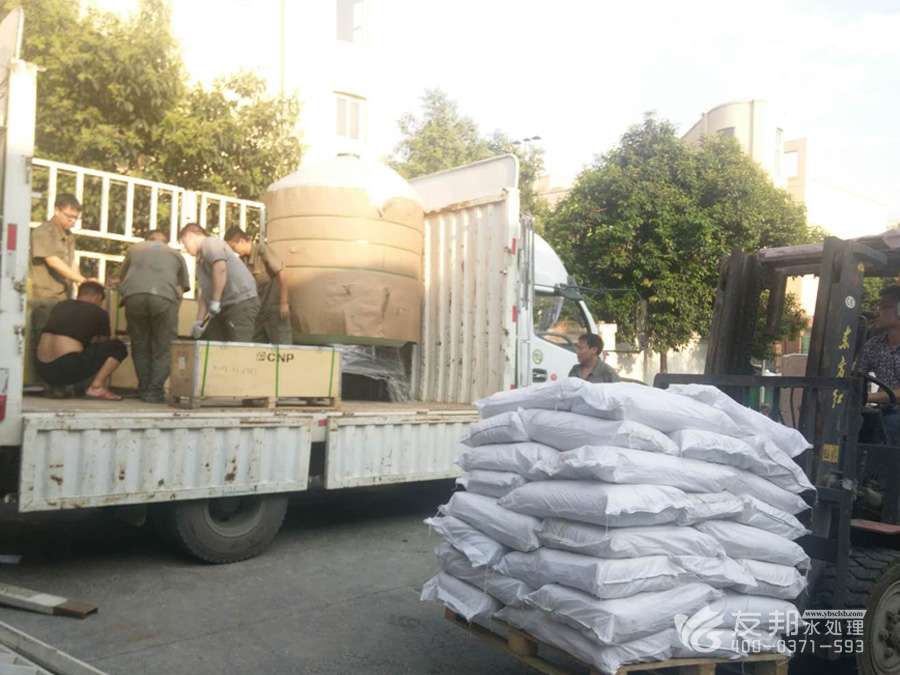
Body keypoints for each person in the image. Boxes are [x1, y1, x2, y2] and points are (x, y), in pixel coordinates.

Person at [118, 230, 191, 403]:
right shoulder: (176, 254)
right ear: (166, 242)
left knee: (140, 345)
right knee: (164, 347)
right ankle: (154, 391)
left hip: (133, 297)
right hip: (163, 298)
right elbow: (180, 289)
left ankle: (143, 388)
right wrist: (172, 313)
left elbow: (122, 278)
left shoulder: (134, 249)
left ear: (146, 240)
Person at [29, 193, 88, 384]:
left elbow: (71, 264)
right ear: (56, 210)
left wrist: (82, 285)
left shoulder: (69, 236)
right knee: (41, 340)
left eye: (75, 218)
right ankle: (39, 383)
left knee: (58, 342)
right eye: (68, 216)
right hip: (44, 296)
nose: (72, 221)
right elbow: (52, 261)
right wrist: (81, 279)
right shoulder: (43, 232)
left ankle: (55, 383)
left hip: (63, 299)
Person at [35, 281, 127, 400]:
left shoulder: (61, 305)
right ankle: (96, 387)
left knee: (72, 348)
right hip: (67, 367)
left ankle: (58, 388)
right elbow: (103, 342)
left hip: (42, 369)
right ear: (98, 297)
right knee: (118, 347)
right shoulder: (98, 311)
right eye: (101, 301)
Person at [178, 223, 260, 342]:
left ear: (190, 236)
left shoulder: (209, 243)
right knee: (212, 340)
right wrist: (199, 321)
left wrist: (215, 300)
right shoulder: (201, 259)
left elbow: (220, 268)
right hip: (225, 306)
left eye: (184, 243)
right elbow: (204, 293)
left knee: (239, 344)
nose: (185, 248)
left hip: (241, 302)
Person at [223, 226, 293, 344]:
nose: (234, 251)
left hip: (275, 309)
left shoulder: (262, 251)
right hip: (258, 311)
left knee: (282, 346)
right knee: (256, 347)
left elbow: (281, 273)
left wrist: (284, 302)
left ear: (242, 241)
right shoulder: (242, 261)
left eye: (234, 247)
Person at [858, 286, 900, 442]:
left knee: (890, 424)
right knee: (855, 422)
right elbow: (857, 375)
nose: (877, 312)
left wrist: (867, 397)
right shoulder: (874, 345)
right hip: (885, 411)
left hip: (893, 417)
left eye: (884, 307)